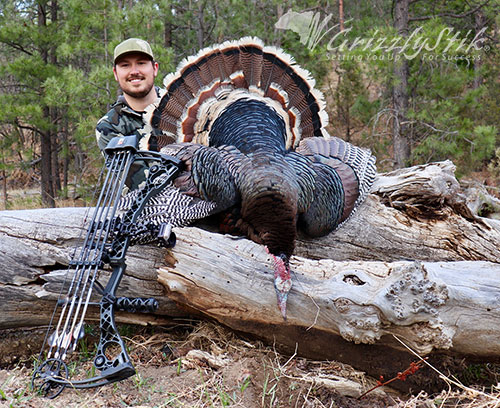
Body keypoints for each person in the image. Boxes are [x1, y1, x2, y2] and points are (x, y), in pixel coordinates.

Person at [95, 38, 167, 190]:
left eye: (141, 63)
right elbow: (142, 185)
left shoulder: (185, 106)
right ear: (115, 73)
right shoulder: (109, 126)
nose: (134, 71)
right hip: (150, 210)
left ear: (154, 68)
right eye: (125, 65)